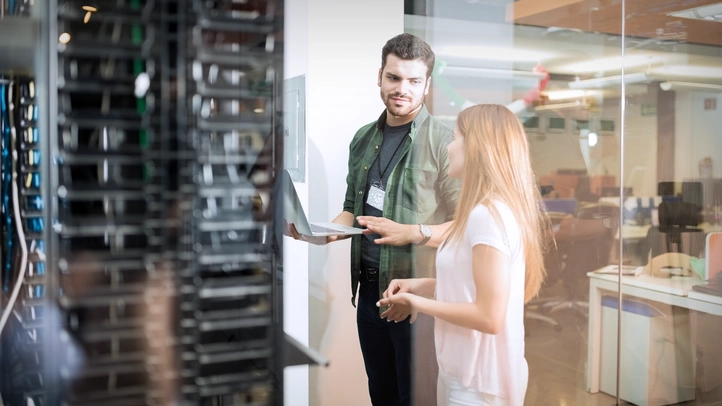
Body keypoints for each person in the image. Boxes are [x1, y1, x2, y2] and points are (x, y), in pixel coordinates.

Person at [288, 33, 461, 406]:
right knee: (381, 394)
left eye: (414, 81)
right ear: (380, 76)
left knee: (416, 399)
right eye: (394, 78)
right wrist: (322, 234)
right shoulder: (363, 138)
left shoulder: (445, 142)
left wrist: (413, 233)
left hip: (417, 299)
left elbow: (465, 227)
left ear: (427, 85)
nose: (403, 89)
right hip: (369, 294)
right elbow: (353, 207)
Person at [377, 104, 550, 406]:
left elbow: (489, 317)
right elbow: (471, 285)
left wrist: (417, 303)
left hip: (478, 385)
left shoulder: (489, 216)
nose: (449, 146)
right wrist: (421, 285)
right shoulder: (481, 212)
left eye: (455, 138)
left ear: (477, 148)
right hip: (461, 373)